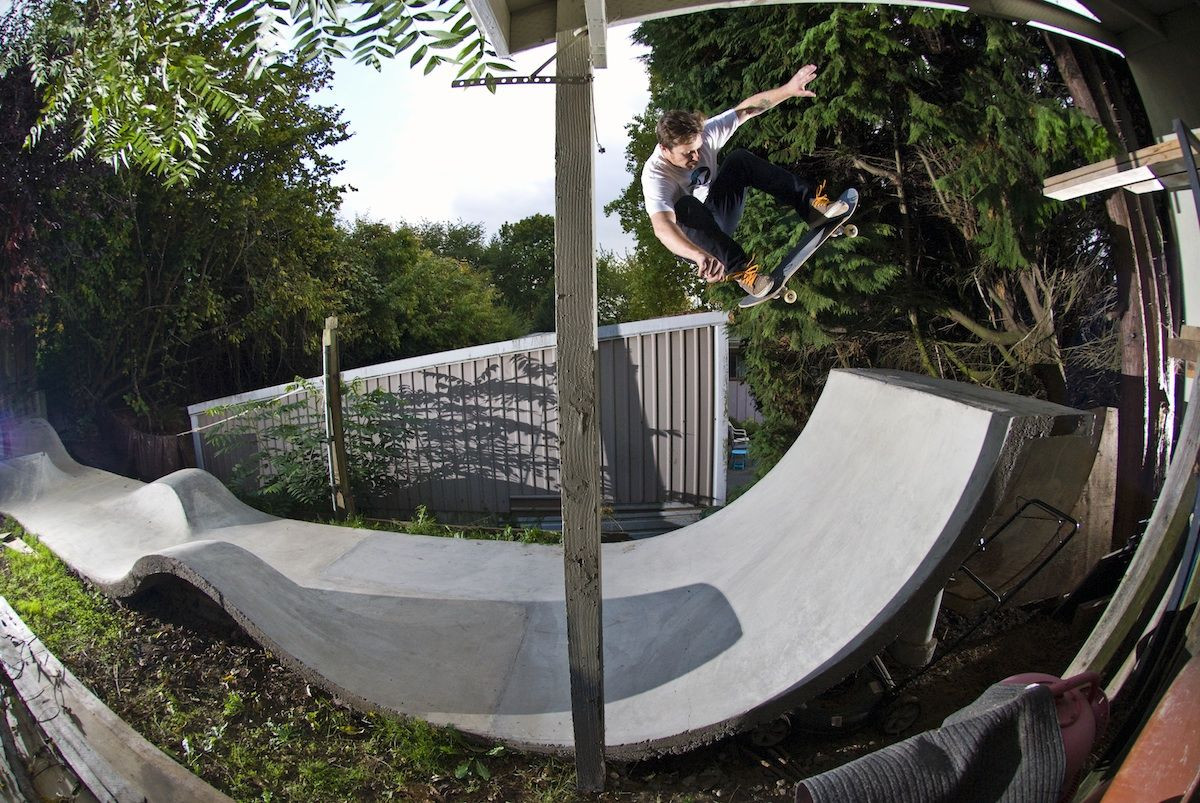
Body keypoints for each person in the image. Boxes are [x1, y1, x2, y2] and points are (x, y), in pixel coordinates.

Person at [640, 64, 849, 297]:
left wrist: (788, 89)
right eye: (687, 154)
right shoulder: (655, 175)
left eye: (697, 149)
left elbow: (746, 110)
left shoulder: (707, 133)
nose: (696, 157)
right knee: (684, 206)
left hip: (717, 215)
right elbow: (662, 228)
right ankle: (745, 275)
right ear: (665, 149)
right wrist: (698, 255)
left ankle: (812, 208)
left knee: (739, 160)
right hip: (693, 242)